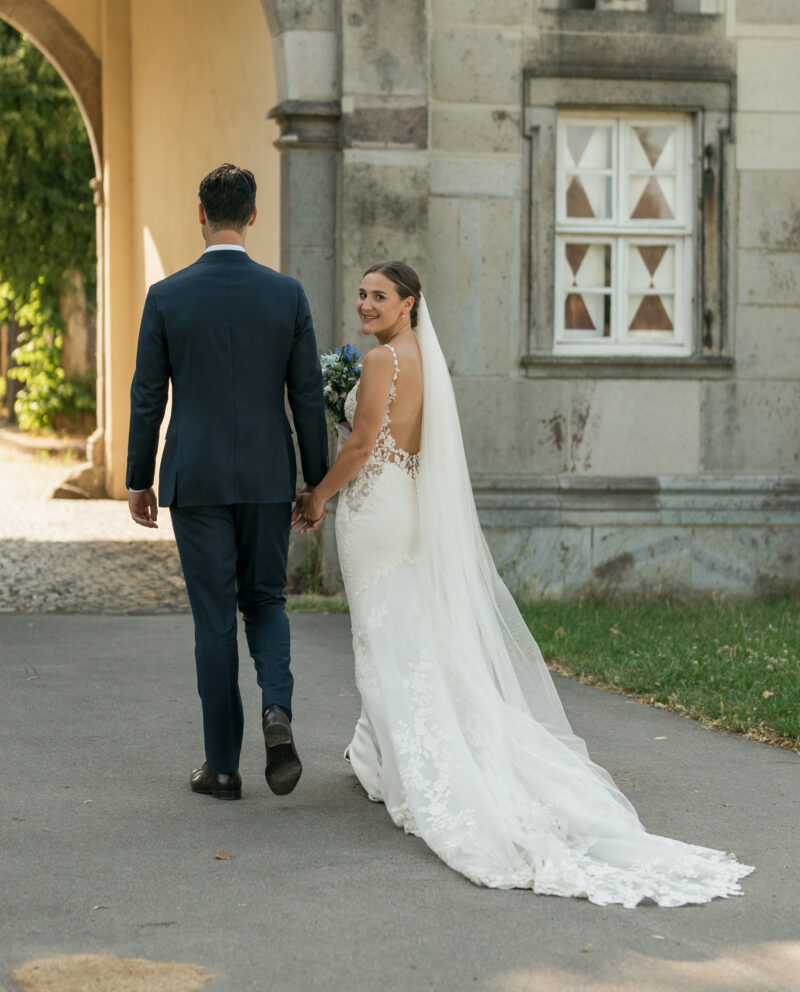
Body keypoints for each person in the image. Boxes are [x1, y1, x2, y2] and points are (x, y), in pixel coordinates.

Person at [293, 262, 754, 906]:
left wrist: (317, 496)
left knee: (385, 638)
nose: (367, 305)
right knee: (404, 633)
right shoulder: (420, 357)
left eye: (380, 297)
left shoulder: (379, 364)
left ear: (408, 303)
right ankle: (378, 753)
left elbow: (366, 440)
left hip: (374, 508)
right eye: (363, 295)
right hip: (404, 505)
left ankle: (413, 769)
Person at [127, 163, 328, 801]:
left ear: (200, 213)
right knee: (265, 601)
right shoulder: (287, 294)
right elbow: (308, 396)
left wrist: (139, 478)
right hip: (269, 475)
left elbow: (146, 397)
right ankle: (277, 711)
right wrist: (315, 484)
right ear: (253, 216)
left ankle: (221, 766)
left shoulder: (167, 296)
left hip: (197, 476)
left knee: (214, 618)